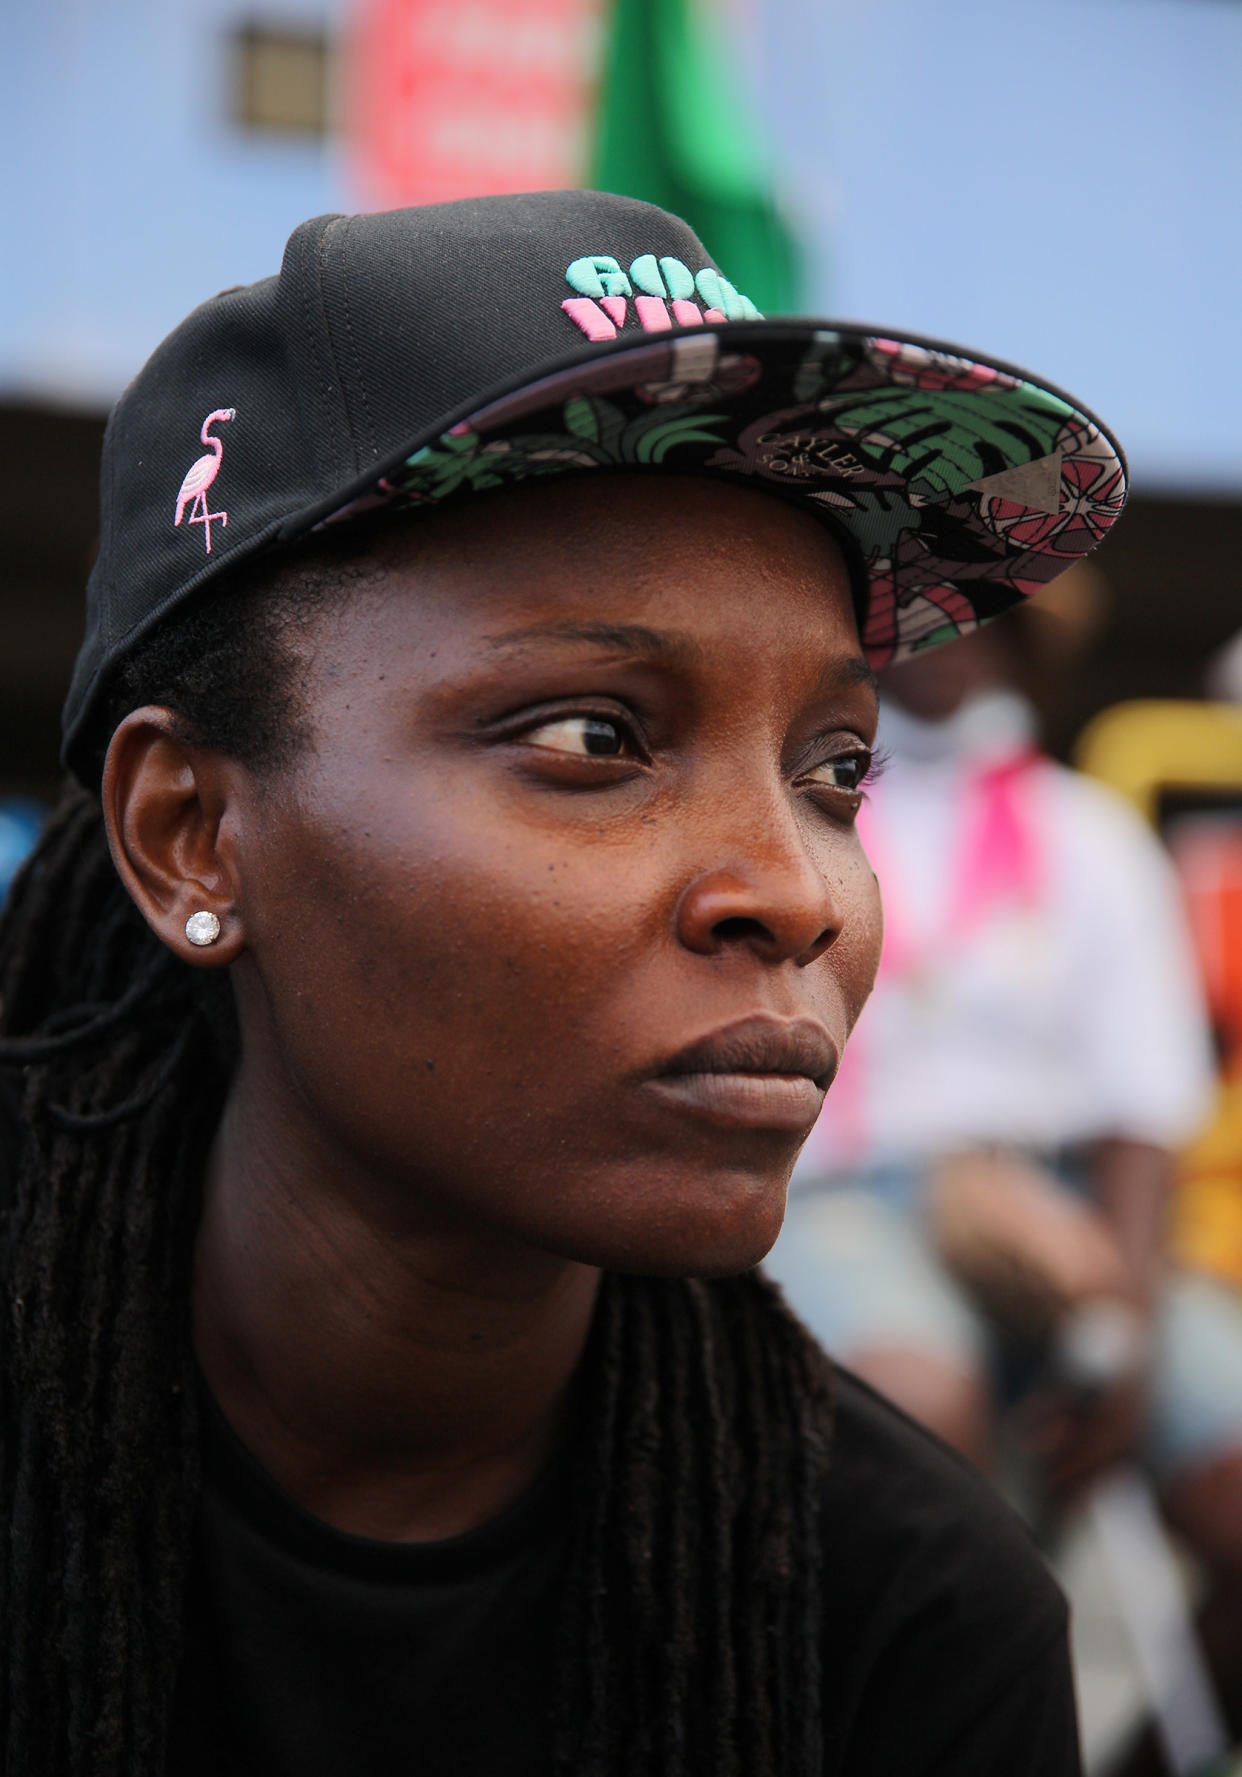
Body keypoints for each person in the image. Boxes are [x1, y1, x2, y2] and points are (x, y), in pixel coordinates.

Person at [0, 190, 1129, 1776]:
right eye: (596, 737)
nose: (793, 893)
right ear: (191, 833)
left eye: (835, 767)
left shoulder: (909, 1624)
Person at [764, 615, 1242, 1707]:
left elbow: (1143, 1103)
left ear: (1034, 650)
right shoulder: (801, 817)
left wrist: (1117, 1316)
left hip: (1062, 1204)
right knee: (922, 1415)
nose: (955, 643)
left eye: (993, 621)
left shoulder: (1085, 833)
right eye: (924, 618)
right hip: (849, 1190)